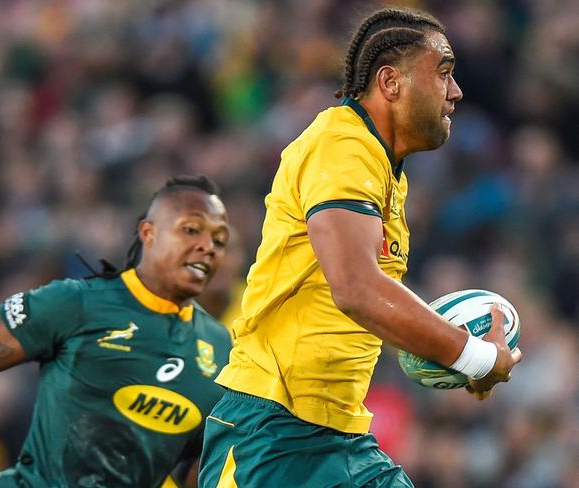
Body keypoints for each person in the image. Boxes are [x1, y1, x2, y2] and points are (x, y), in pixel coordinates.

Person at [198, 7, 522, 488]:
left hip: (340, 434)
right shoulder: (341, 145)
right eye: (444, 73)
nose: (456, 92)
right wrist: (471, 355)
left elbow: (351, 308)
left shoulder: (383, 167)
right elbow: (356, 289)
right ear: (390, 83)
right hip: (270, 430)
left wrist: (444, 353)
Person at [0, 175, 232, 488]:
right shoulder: (78, 302)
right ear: (149, 233)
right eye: (191, 230)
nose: (208, 247)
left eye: (220, 240)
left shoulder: (221, 348)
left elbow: (198, 462)